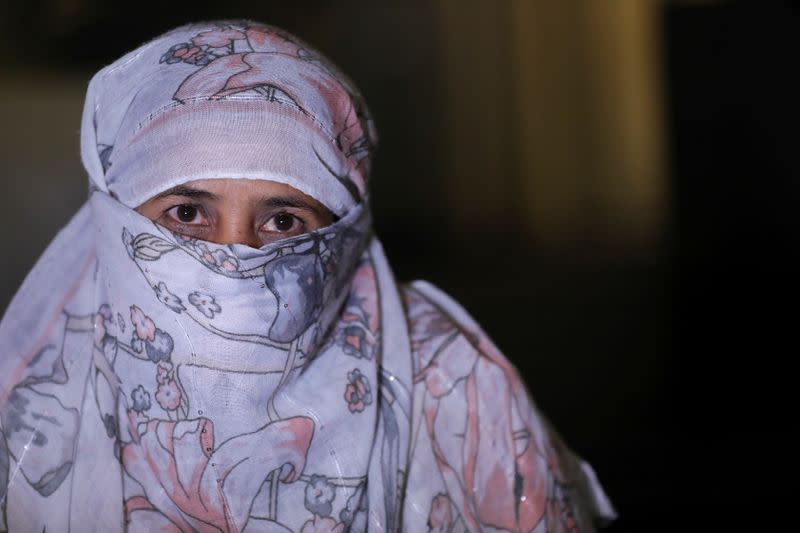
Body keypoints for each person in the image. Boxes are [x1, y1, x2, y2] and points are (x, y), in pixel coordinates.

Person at [0, 20, 615, 532]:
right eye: (187, 214)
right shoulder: (32, 402)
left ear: (341, 237)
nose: (234, 255)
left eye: (284, 222)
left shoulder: (450, 380)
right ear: (116, 224)